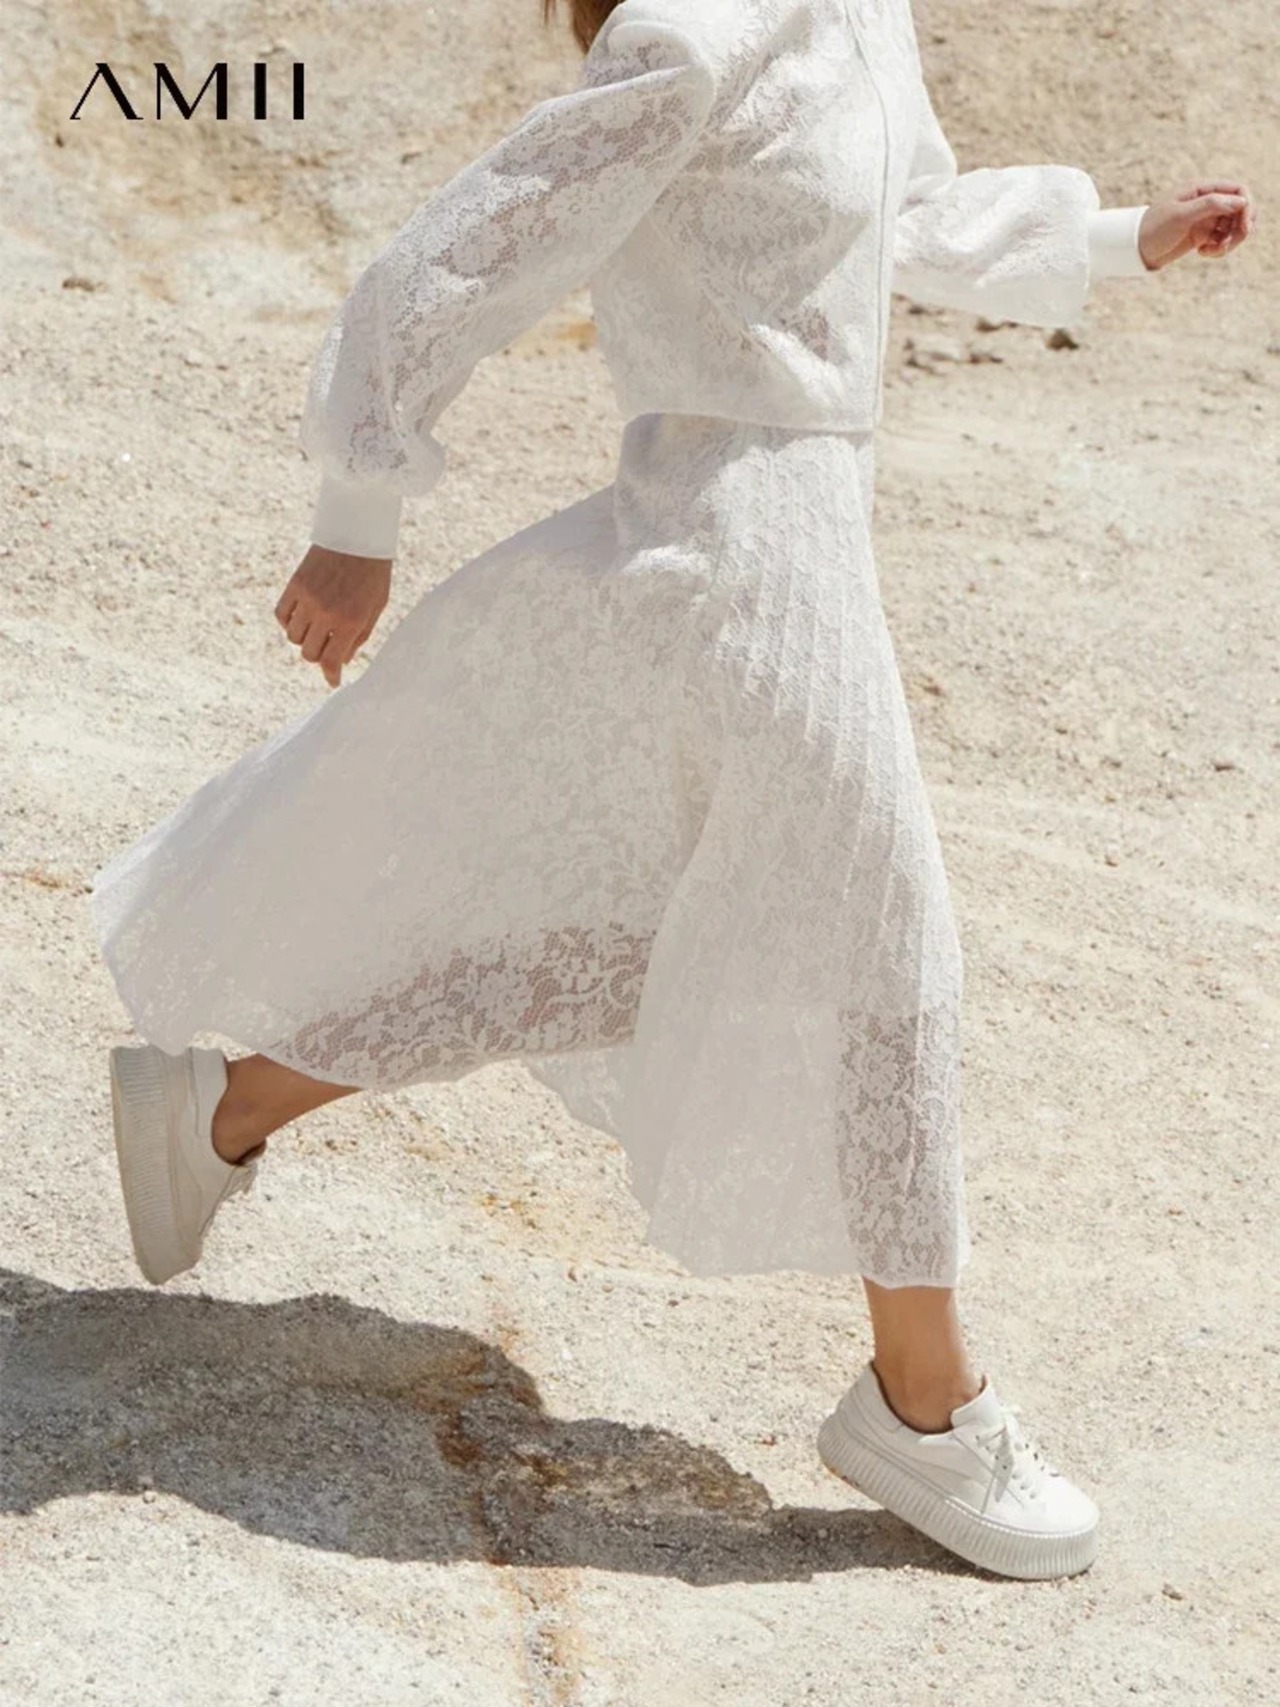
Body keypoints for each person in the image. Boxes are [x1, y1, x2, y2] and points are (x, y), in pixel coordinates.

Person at [90, 0, 1256, 1581]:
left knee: (675, 943)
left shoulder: (858, 12)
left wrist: (1122, 237)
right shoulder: (692, 34)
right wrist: (359, 507)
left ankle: (223, 1108)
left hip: (803, 534)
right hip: (732, 548)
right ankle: (923, 1402)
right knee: (887, 955)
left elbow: (909, 208)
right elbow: (479, 242)